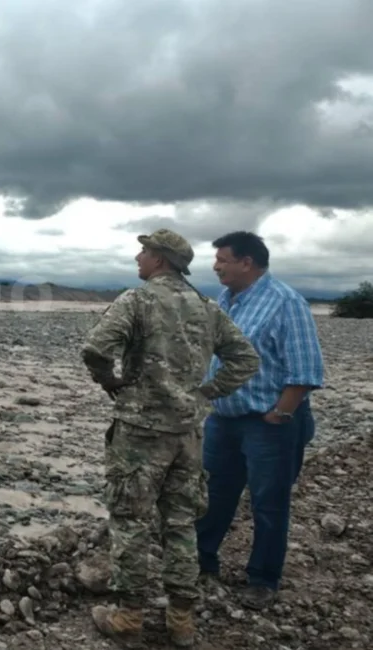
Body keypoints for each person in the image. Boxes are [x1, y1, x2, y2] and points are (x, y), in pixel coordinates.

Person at [81, 229, 260, 648]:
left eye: (143, 251)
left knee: (130, 522)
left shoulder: (137, 300)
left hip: (141, 433)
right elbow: (245, 359)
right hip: (187, 433)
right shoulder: (206, 307)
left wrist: (112, 381)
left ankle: (129, 616)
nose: (137, 257)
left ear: (160, 259)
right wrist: (205, 393)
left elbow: (95, 347)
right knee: (180, 524)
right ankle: (181, 620)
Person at [195, 231, 325, 611]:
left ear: (247, 262)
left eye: (222, 258)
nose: (216, 265)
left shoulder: (285, 303)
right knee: (213, 493)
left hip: (269, 423)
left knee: (269, 503)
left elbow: (305, 370)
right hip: (225, 418)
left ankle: (263, 579)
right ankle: (202, 562)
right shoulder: (226, 300)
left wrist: (280, 413)